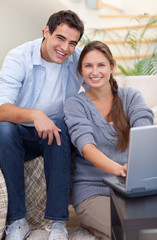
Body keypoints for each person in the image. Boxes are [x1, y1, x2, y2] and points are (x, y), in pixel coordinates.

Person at [0, 10, 85, 240]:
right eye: (60, 38)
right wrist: (36, 114)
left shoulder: (76, 60)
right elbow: (1, 109)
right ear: (46, 32)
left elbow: (99, 85)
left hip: (54, 134)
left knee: (59, 125)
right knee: (4, 129)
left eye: (72, 43)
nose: (65, 48)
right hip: (20, 133)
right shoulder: (19, 57)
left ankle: (58, 223)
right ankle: (18, 222)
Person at [64, 41, 154, 240]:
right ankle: (95, 226)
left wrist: (135, 167)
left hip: (132, 187)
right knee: (132, 234)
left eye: (101, 65)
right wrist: (120, 170)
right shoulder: (75, 104)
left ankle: (100, 231)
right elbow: (86, 147)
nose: (95, 72)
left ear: (111, 67)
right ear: (81, 71)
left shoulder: (130, 96)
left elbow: (143, 130)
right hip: (92, 190)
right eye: (88, 66)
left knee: (151, 230)